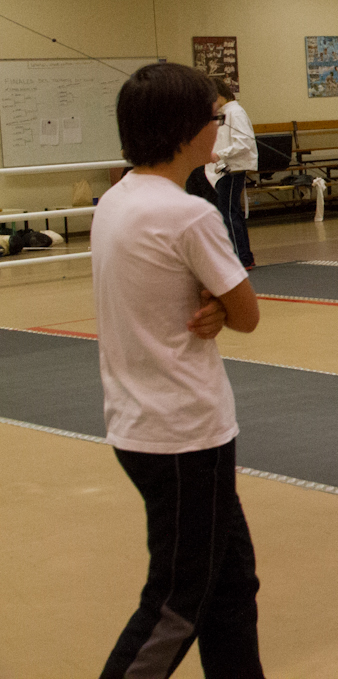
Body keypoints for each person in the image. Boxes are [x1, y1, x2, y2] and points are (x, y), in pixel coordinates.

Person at [94, 63, 264, 677]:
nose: (218, 128)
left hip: (140, 422)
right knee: (176, 602)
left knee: (230, 586)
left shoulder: (117, 199)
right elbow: (247, 315)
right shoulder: (187, 213)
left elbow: (166, 292)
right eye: (214, 119)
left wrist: (212, 303)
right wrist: (221, 304)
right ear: (186, 131)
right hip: (184, 434)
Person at [209, 79, 257, 269]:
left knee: (229, 214)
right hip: (225, 170)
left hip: (232, 169)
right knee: (232, 213)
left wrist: (220, 154)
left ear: (220, 95)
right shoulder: (225, 113)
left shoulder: (235, 112)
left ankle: (241, 258)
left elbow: (244, 143)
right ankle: (245, 256)